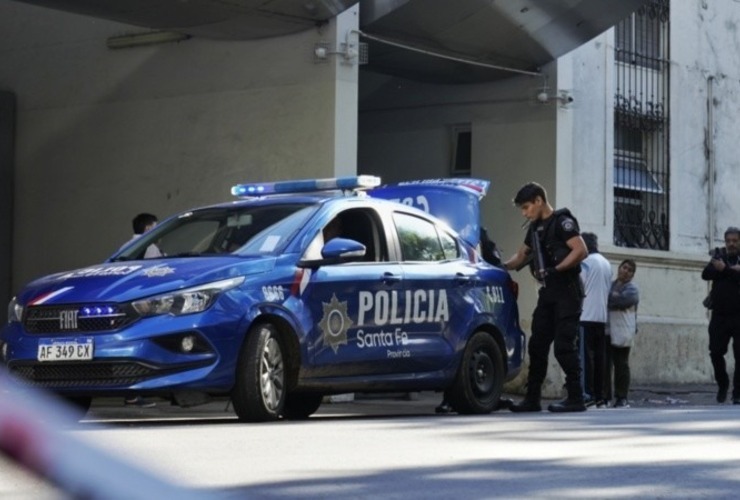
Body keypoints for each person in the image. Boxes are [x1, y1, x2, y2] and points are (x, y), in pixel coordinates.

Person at [503, 182, 588, 413]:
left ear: (539, 201)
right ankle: (532, 399)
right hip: (548, 293)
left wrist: (557, 269)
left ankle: (576, 398)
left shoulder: (562, 222)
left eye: (527, 207)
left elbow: (580, 250)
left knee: (563, 347)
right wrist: (500, 266)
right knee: (537, 345)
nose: (525, 212)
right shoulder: (535, 228)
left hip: (567, 292)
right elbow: (521, 256)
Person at [701, 226, 740, 404]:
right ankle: (723, 384)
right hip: (720, 315)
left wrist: (724, 270)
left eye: (735, 241)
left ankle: (738, 393)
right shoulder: (719, 256)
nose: (731, 244)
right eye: (728, 241)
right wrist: (726, 269)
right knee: (716, 352)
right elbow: (705, 274)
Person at [579, 232, 613, 407]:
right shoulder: (606, 263)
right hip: (601, 317)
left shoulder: (585, 263)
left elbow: (579, 285)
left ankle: (588, 393)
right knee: (600, 359)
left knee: (585, 359)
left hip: (585, 315)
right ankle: (601, 396)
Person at [608, 259, 639, 408]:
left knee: (621, 364)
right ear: (619, 268)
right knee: (605, 364)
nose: (625, 271)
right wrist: (613, 296)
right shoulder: (610, 285)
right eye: (624, 267)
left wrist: (613, 297)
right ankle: (606, 395)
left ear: (632, 275)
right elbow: (608, 299)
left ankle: (622, 396)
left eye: (629, 270)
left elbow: (624, 301)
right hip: (608, 329)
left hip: (623, 330)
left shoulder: (632, 289)